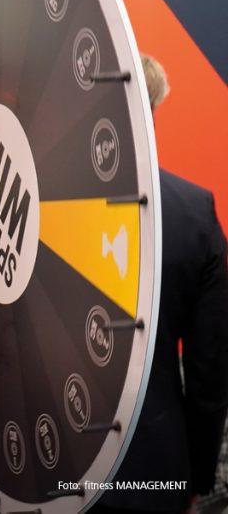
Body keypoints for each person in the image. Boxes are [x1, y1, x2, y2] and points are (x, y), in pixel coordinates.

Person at [92, 55, 228, 513]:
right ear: (155, 106)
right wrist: (197, 475)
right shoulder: (194, 212)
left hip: (51, 466)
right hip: (154, 469)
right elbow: (211, 371)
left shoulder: (44, 204)